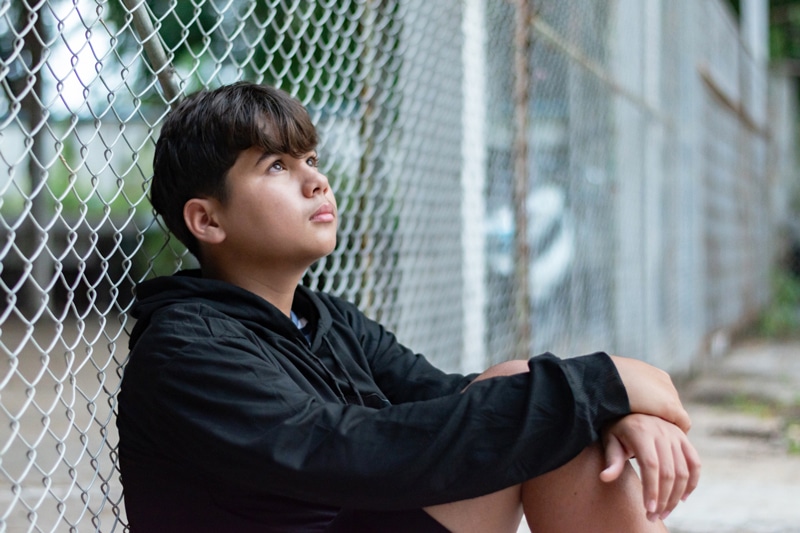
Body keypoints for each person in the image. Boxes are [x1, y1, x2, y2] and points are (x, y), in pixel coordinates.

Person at [117, 81, 700, 533]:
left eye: (312, 161)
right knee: (537, 406)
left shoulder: (324, 319)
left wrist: (609, 408)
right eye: (276, 166)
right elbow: (349, 452)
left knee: (532, 402)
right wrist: (607, 383)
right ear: (207, 219)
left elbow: (454, 399)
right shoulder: (186, 349)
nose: (316, 182)